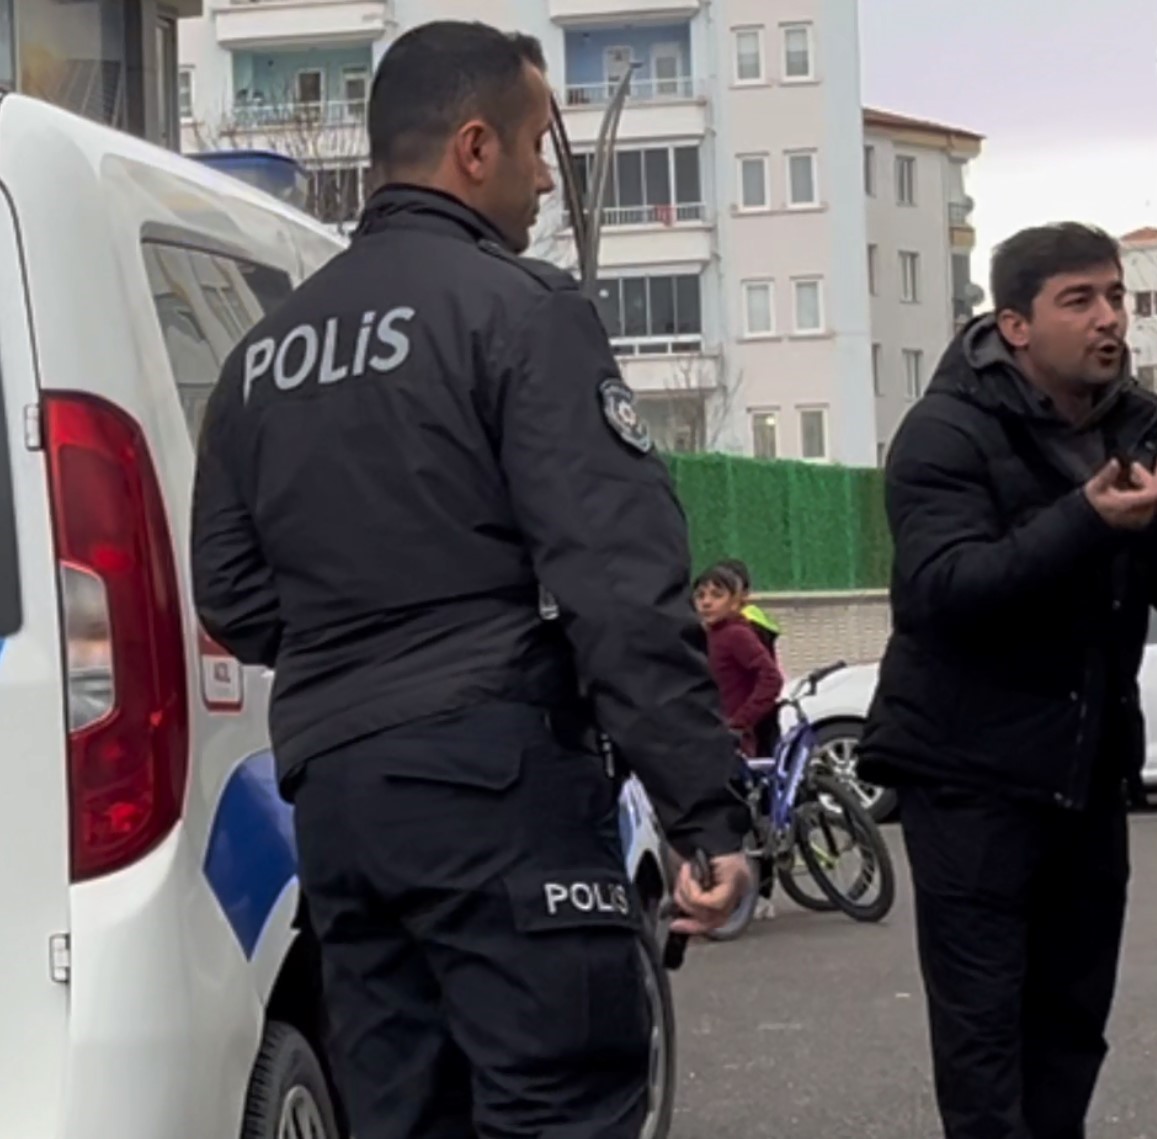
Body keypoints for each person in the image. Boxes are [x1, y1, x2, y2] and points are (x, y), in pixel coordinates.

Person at [189, 22, 752, 1139]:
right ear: (475, 145)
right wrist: (703, 808)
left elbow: (234, 596)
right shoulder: (521, 312)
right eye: (541, 144)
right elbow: (616, 580)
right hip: (497, 785)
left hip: (341, 806)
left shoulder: (261, 357)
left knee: (400, 1114)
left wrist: (357, 638)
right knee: (560, 1103)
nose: (549, 177)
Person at [857, 223, 1157, 1139]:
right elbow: (939, 592)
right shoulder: (945, 431)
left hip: (1084, 774)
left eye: (1114, 296)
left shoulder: (1138, 420)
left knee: (1071, 1025)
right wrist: (1082, 518)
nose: (1108, 318)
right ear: (1015, 326)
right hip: (968, 778)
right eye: (1078, 300)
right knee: (983, 1037)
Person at [694, 563, 785, 759]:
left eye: (716, 595)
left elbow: (771, 679)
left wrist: (740, 722)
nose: (706, 602)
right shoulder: (708, 635)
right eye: (700, 596)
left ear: (736, 601)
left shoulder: (737, 634)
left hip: (733, 745)